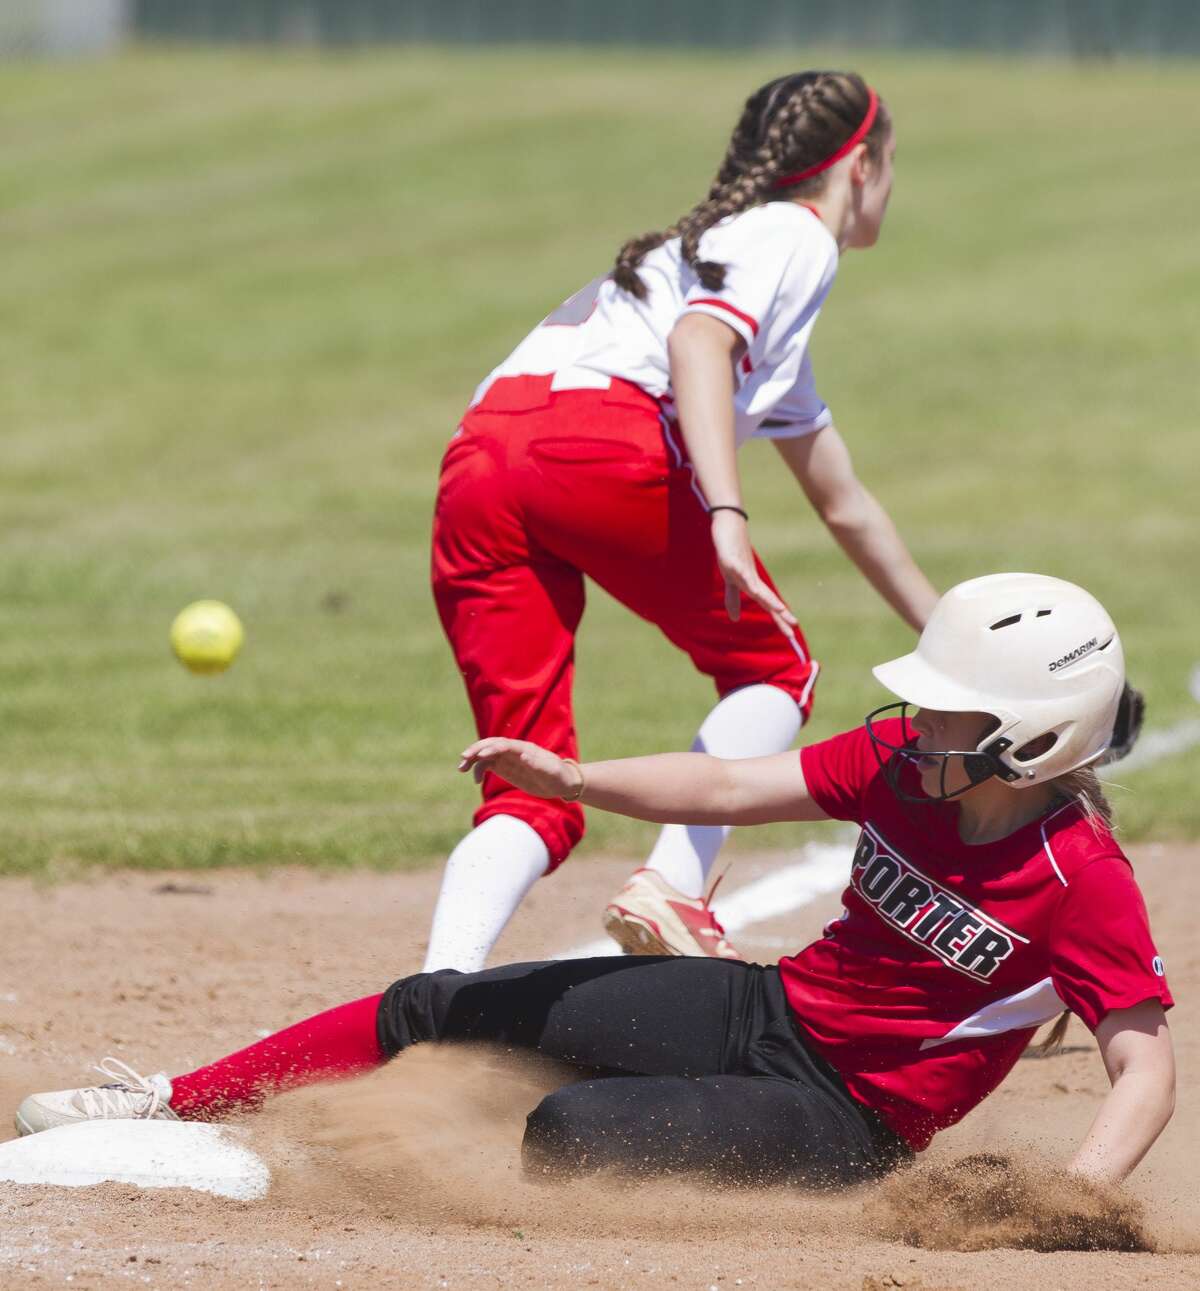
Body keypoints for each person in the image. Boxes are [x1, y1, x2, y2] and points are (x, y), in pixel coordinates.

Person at [16, 575, 1174, 1189]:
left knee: (574, 1132)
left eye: (948, 706)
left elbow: (1144, 1066)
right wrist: (573, 772)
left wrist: (1071, 1198)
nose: (916, 717)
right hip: (767, 1007)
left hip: (852, 1119)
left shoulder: (1081, 877)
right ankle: (171, 1098)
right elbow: (725, 788)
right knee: (438, 1004)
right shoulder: (897, 766)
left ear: (1034, 735)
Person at [424, 68, 939, 973]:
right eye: (889, 164)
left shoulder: (727, 257)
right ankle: (670, 886)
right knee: (775, 667)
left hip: (479, 459)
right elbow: (698, 342)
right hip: (598, 443)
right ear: (858, 165)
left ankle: (433, 990)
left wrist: (958, 646)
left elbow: (845, 505)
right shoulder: (793, 234)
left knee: (529, 780)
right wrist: (728, 512)